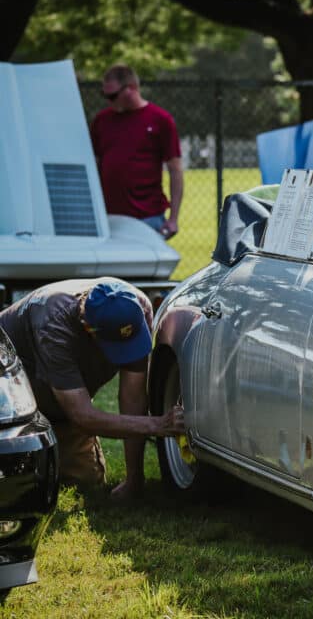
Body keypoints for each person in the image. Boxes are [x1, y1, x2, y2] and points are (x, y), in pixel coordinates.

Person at [0, 279, 185, 499]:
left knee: (86, 480)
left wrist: (134, 480)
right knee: (17, 485)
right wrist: (158, 424)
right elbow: (82, 416)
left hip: (61, 406)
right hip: (10, 406)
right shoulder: (53, 326)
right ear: (88, 328)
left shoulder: (135, 309)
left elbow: (133, 398)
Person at [90, 64, 183, 239]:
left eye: (113, 96)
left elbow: (175, 169)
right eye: (105, 95)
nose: (109, 101)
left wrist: (173, 219)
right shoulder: (101, 121)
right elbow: (92, 165)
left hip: (148, 217)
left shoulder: (160, 120)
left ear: (131, 89)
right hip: (108, 217)